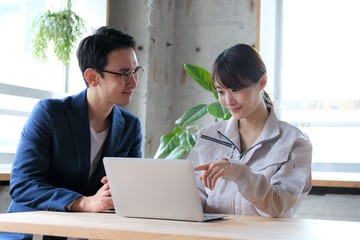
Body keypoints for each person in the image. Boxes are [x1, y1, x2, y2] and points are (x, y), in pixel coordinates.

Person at [2, 26, 144, 239]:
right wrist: (85, 202)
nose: (133, 82)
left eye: (135, 72)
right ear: (92, 77)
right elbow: (24, 185)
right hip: (36, 231)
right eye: (124, 74)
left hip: (91, 231)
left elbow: (130, 190)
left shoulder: (131, 126)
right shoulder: (50, 113)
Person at [188, 43, 312, 218]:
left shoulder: (294, 142)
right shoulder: (208, 136)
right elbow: (193, 194)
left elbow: (278, 205)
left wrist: (240, 173)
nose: (228, 100)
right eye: (221, 92)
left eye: (236, 90)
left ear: (262, 82)